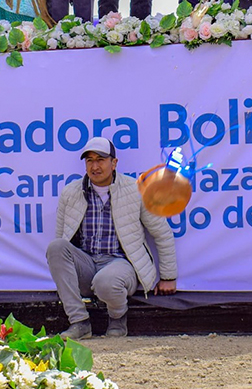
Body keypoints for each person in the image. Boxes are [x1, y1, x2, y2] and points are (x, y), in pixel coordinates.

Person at [45, 137, 177, 339]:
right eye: (89, 161)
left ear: (114, 163)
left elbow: (162, 233)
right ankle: (79, 322)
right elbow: (61, 238)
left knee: (106, 282)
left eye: (101, 160)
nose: (95, 166)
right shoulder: (70, 192)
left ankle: (117, 318)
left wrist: (168, 277)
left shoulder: (136, 190)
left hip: (121, 265)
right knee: (56, 247)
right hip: (87, 263)